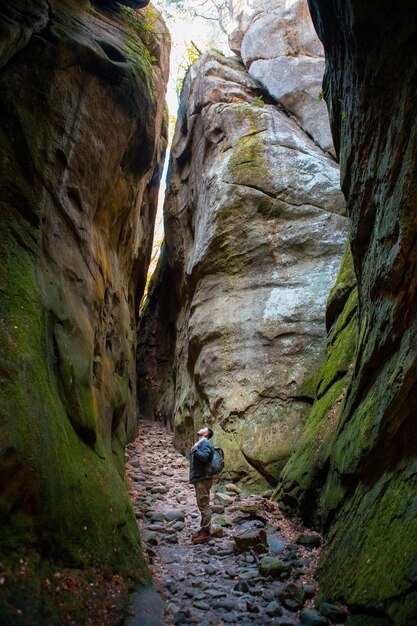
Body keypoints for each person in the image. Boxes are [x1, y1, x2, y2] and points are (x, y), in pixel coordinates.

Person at [189, 426, 215, 544]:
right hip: (201, 478)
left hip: (203, 478)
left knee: (204, 504)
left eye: (203, 428)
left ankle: (206, 533)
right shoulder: (202, 442)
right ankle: (203, 529)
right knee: (202, 504)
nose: (200, 428)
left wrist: (195, 449)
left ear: (206, 433)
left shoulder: (206, 443)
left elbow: (204, 457)